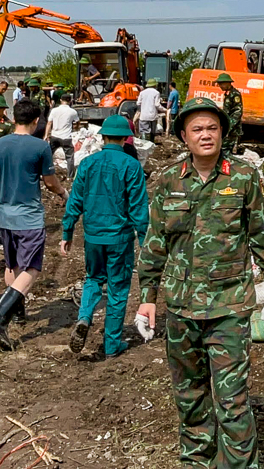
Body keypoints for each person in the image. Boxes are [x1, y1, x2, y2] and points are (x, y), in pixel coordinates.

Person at [135, 97, 264, 469]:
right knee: (190, 396)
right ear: (184, 136)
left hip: (229, 307)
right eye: (197, 129)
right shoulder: (169, 181)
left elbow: (261, 234)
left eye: (212, 128)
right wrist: (147, 298)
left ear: (223, 132)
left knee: (232, 399)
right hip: (182, 309)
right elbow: (155, 243)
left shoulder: (243, 177)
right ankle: (197, 462)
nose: (206, 135)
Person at [0, 98, 68, 351]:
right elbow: (50, 182)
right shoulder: (39, 148)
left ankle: (18, 313)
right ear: (36, 121)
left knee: (12, 264)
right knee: (32, 268)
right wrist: (63, 194)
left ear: (13, 118)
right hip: (28, 216)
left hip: (4, 215)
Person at [61, 115, 150, 358]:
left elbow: (75, 200)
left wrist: (67, 231)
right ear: (125, 138)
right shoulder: (131, 166)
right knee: (118, 288)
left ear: (102, 137)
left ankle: (85, 317)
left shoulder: (88, 164)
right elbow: (139, 210)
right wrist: (145, 241)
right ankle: (112, 344)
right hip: (119, 238)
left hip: (92, 236)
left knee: (93, 279)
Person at [45, 92, 80, 181]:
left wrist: (46, 135)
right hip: (66, 137)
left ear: (61, 100)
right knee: (69, 157)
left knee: (49, 155)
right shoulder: (73, 112)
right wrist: (76, 127)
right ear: (70, 101)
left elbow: (49, 123)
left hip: (54, 136)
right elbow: (77, 122)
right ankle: (70, 176)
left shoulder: (54, 110)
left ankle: (46, 173)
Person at [216, 72, 243, 157]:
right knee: (223, 148)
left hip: (232, 129)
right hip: (228, 127)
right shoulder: (228, 94)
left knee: (226, 149)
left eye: (221, 84)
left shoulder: (235, 94)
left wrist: (229, 125)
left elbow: (237, 112)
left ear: (227, 83)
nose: (220, 86)